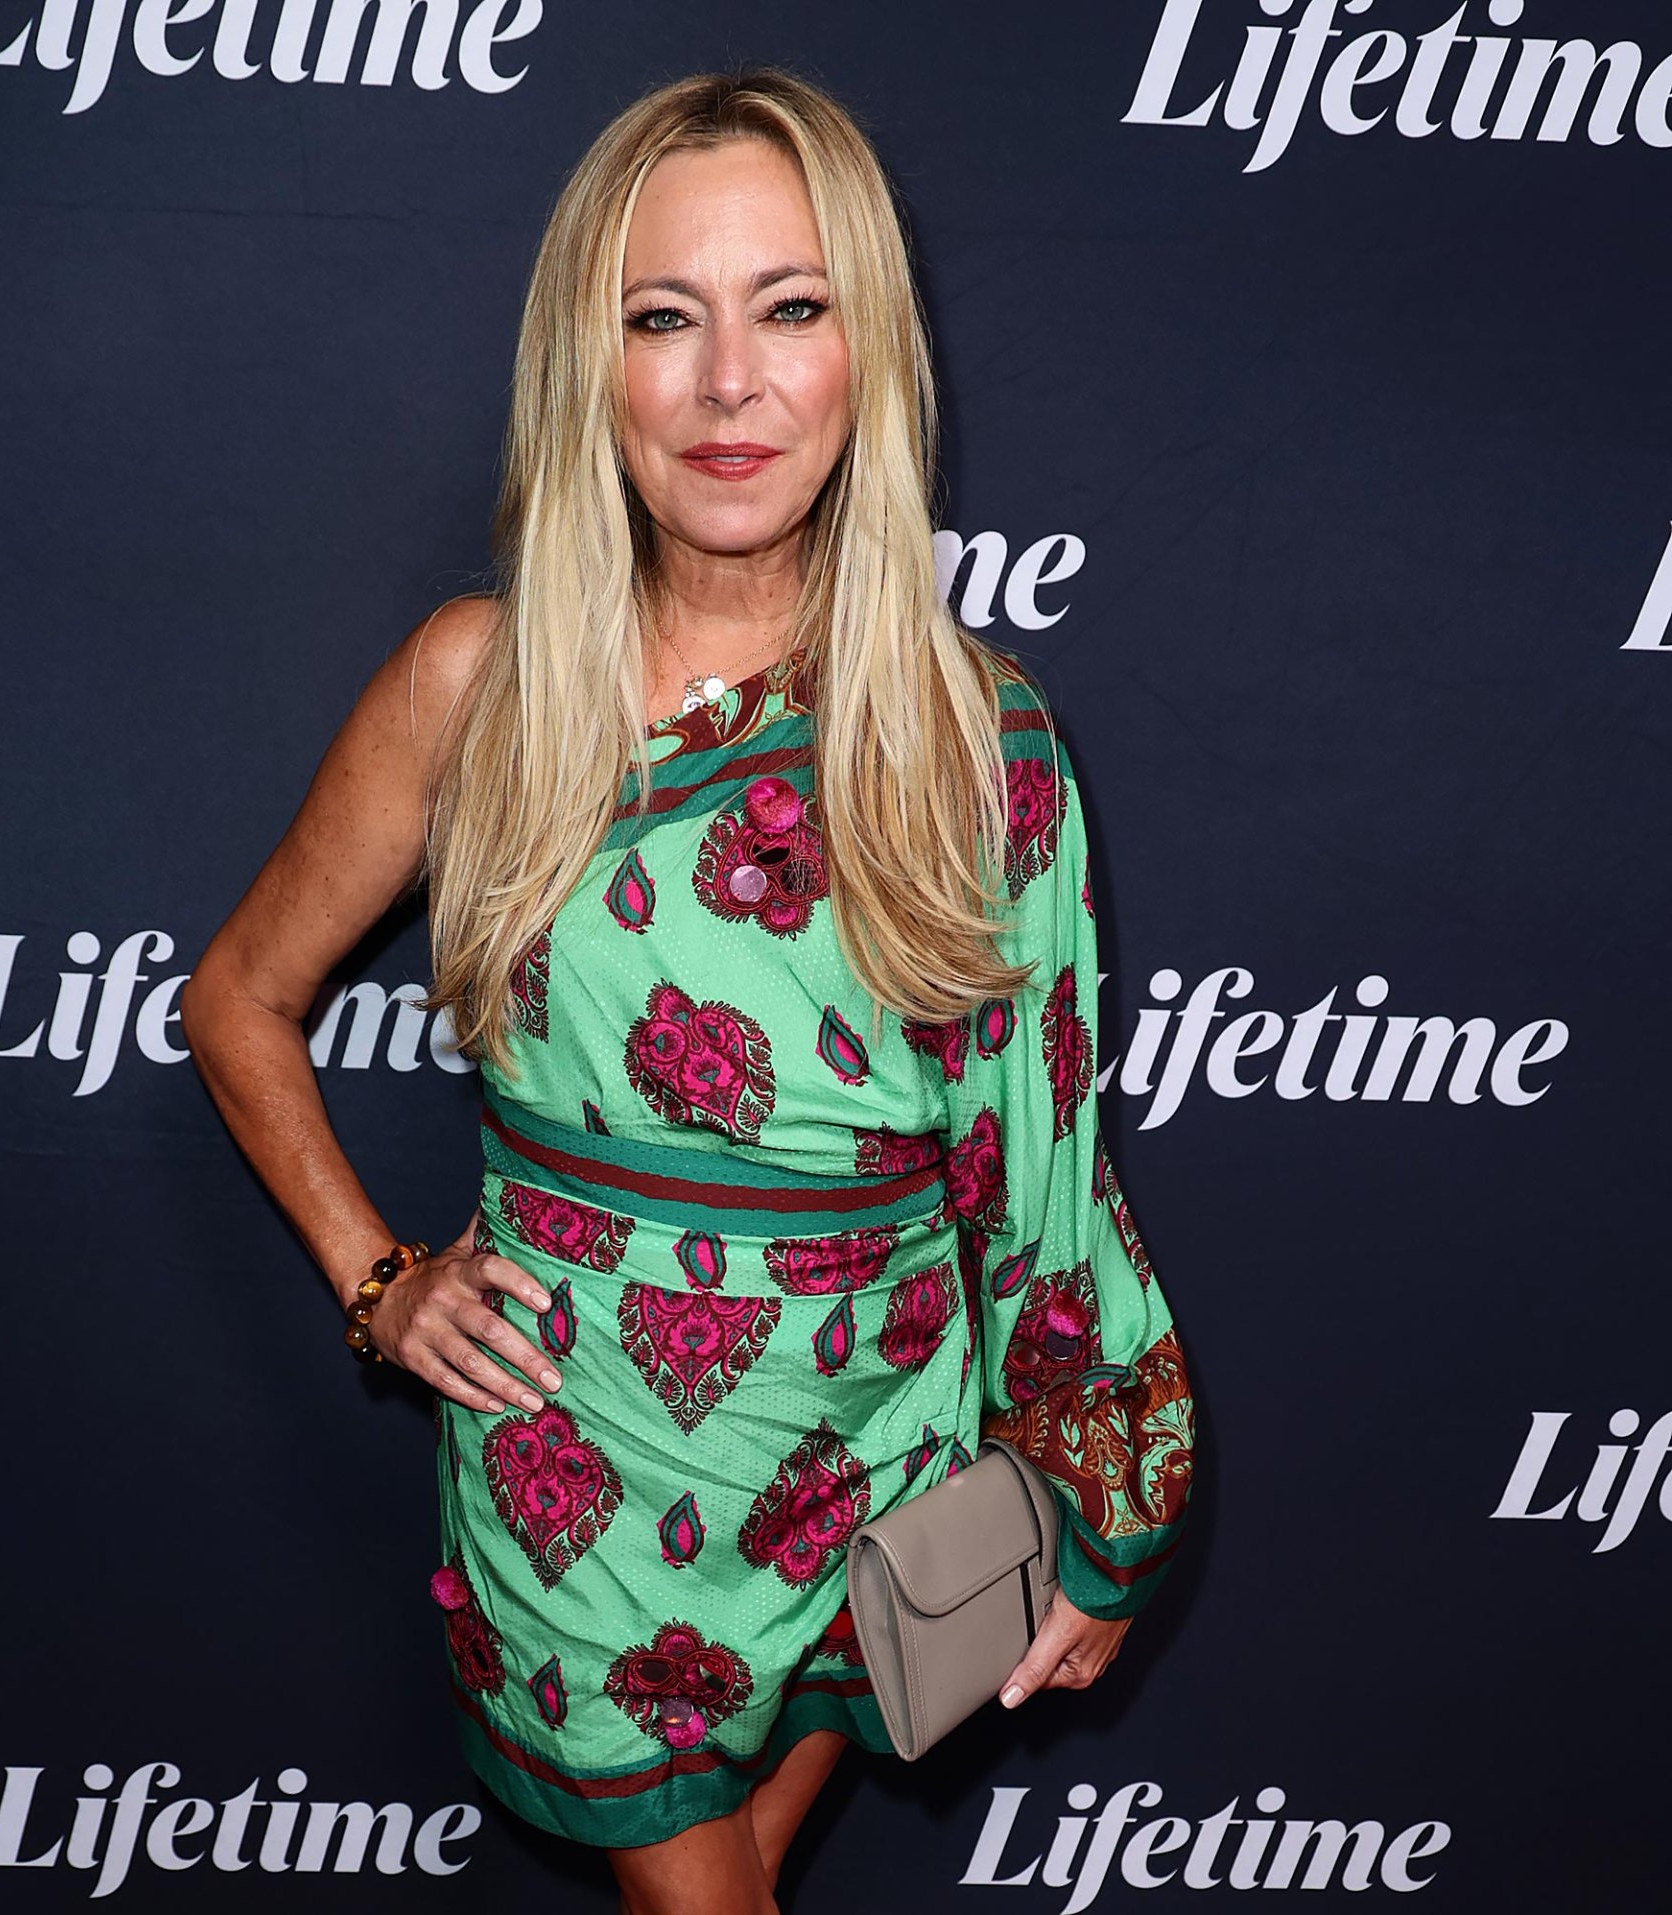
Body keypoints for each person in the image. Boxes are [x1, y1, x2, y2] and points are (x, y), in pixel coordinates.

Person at [180, 64, 1194, 1915]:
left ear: (867, 357)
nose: (731, 382)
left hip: (882, 1468)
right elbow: (237, 995)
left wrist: (1099, 1495)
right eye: (666, 319)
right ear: (596, 368)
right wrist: (379, 1282)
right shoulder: (475, 687)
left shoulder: (983, 745)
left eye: (790, 308)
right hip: (575, 1471)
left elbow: (1043, 1177)